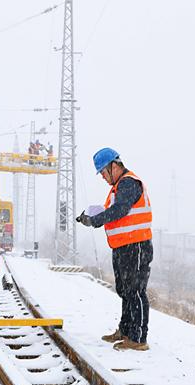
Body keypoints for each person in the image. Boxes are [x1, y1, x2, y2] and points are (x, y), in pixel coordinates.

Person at [76, 148, 153, 351]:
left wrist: (95, 220)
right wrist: (94, 217)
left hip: (135, 246)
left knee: (135, 291)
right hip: (123, 246)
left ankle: (138, 338)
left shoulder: (128, 182)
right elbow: (116, 211)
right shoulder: (119, 185)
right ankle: (126, 330)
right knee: (125, 290)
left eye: (103, 172)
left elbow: (120, 210)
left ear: (114, 166)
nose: (102, 177)